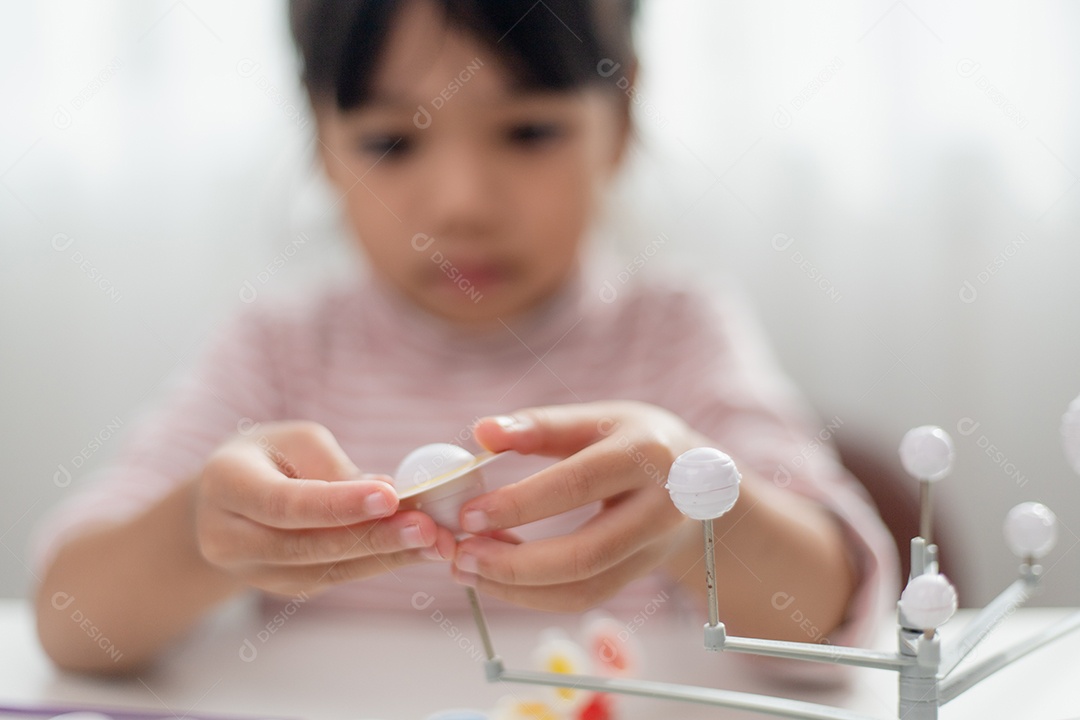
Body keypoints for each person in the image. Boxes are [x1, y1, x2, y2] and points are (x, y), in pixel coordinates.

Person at [31, 0, 896, 676]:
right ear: (322, 146)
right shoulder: (280, 351)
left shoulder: (673, 335)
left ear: (621, 116)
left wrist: (701, 513)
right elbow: (72, 626)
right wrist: (197, 532)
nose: (462, 203)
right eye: (389, 141)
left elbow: (829, 617)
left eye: (528, 131)